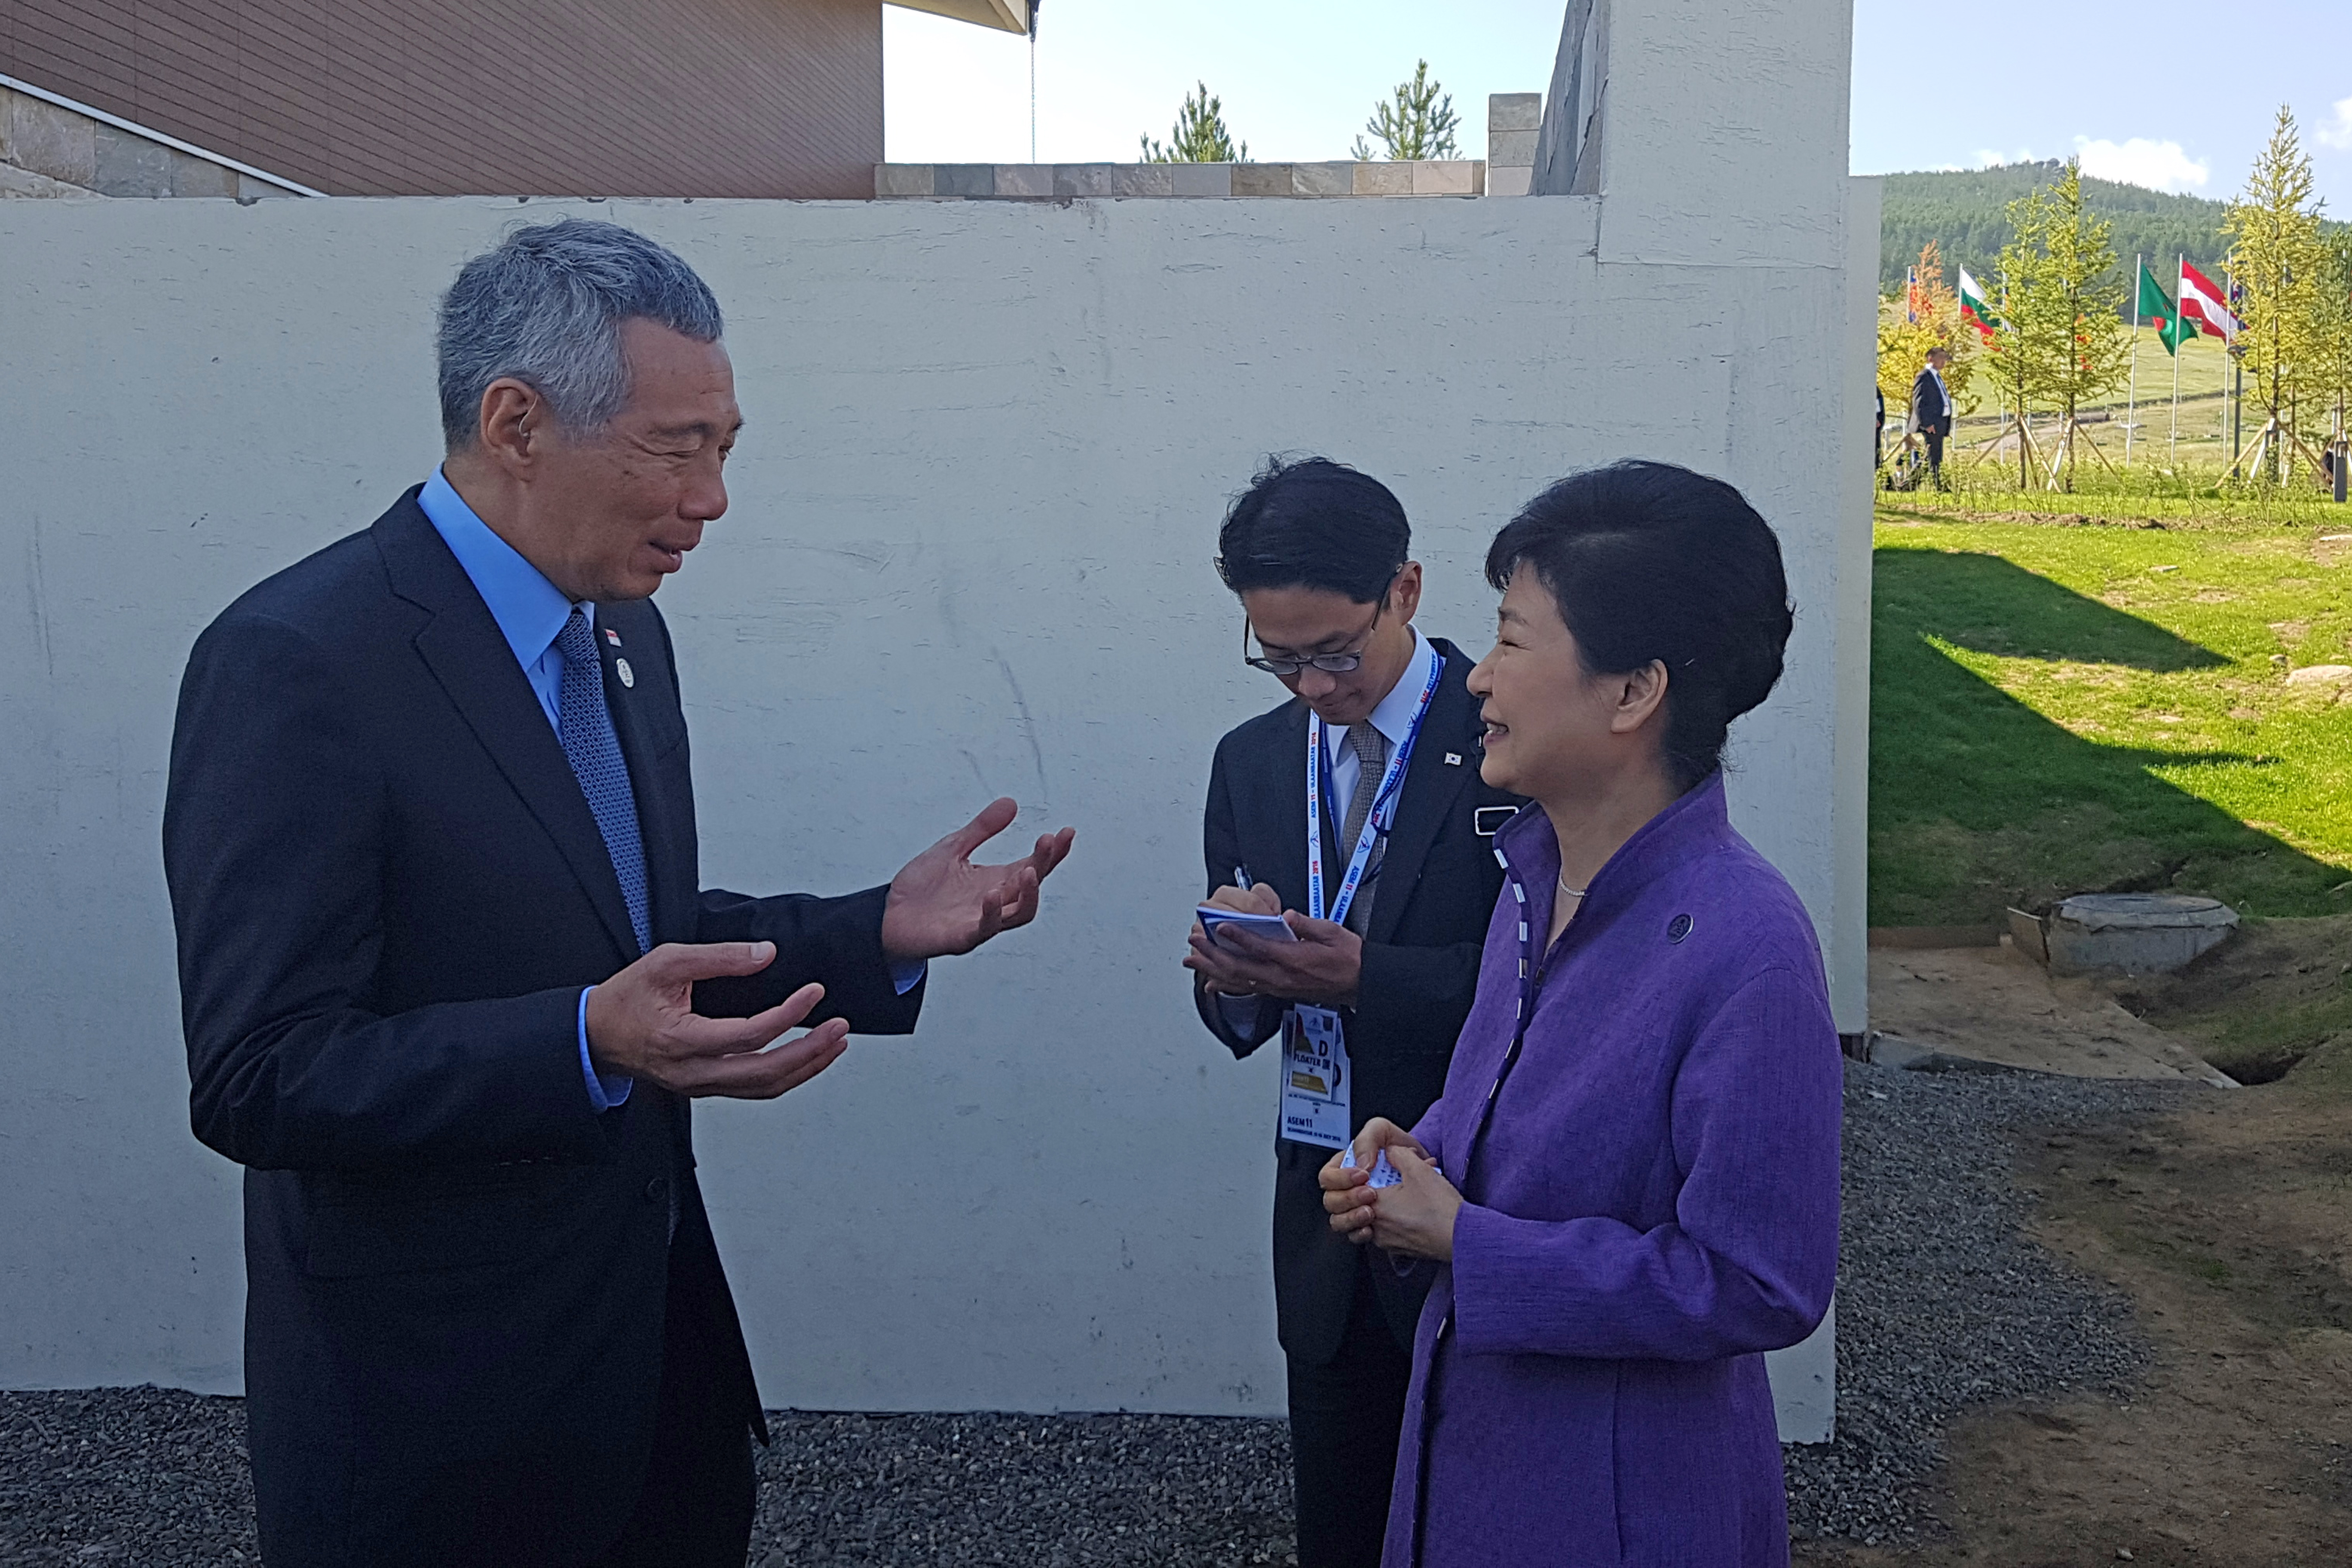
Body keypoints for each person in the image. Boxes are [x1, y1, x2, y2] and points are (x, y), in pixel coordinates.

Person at [162, 219, 1075, 1568]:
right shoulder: (298, 663)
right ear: (517, 424)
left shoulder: (624, 632)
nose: (711, 498)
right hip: (438, 1441)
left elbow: (624, 938)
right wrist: (584, 1039)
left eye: (726, 444)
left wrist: (869, 927)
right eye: (674, 447)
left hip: (659, 1391)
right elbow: (261, 1070)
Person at [1320, 460, 1841, 1568]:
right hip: (1464, 1471)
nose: (1477, 681)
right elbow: (1503, 1159)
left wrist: (1464, 1239)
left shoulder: (1746, 947)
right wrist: (1409, 1169)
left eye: (1511, 639)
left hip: (1622, 1510)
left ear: (1630, 692)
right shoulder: (1527, 877)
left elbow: (1759, 1280)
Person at [1185, 457, 1518, 1568]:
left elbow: (1551, 984)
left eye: (1334, 652)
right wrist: (1235, 982)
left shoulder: (1506, 750)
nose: (1312, 687)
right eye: (1278, 658)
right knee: (1343, 1531)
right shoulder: (1251, 765)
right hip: (1325, 1231)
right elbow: (1244, 1023)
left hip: (1486, 1210)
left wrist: (1364, 976)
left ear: (1407, 592)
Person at [1912, 345, 1953, 489]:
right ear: (1931, 359)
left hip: (1940, 422)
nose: (1944, 362)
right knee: (1934, 455)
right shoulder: (1924, 377)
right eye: (1941, 358)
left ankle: (1910, 484)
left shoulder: (1937, 377)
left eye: (1945, 358)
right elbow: (1919, 403)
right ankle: (1937, 485)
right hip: (1931, 424)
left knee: (1931, 454)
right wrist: (1927, 423)